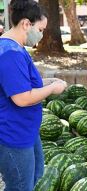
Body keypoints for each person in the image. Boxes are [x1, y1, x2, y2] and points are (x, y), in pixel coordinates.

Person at [0, 0, 67, 190]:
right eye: (41, 29)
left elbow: (23, 85)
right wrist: (52, 90)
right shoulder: (9, 53)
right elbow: (22, 98)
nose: (42, 34)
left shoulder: (17, 48)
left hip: (26, 131)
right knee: (21, 185)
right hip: (13, 135)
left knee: (36, 173)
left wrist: (49, 82)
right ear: (26, 24)